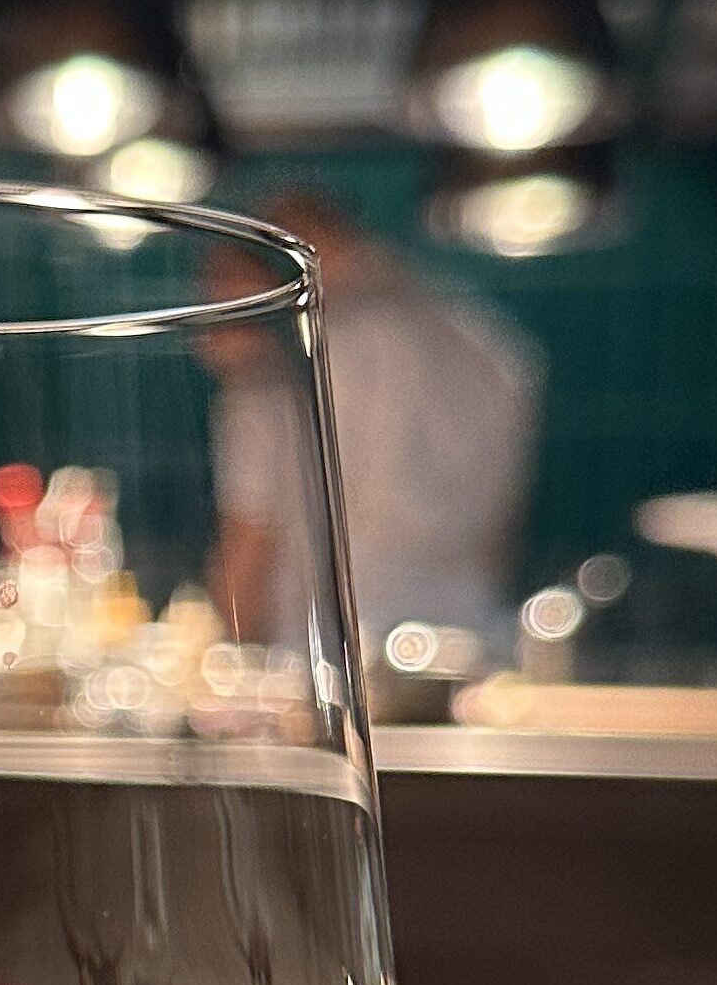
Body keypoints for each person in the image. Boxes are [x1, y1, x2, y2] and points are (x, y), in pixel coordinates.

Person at [201, 193, 539, 651]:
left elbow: (248, 555)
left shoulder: (287, 361)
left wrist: (226, 660)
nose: (206, 330)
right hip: (471, 646)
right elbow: (504, 535)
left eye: (221, 284)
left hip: (332, 665)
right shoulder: (487, 345)